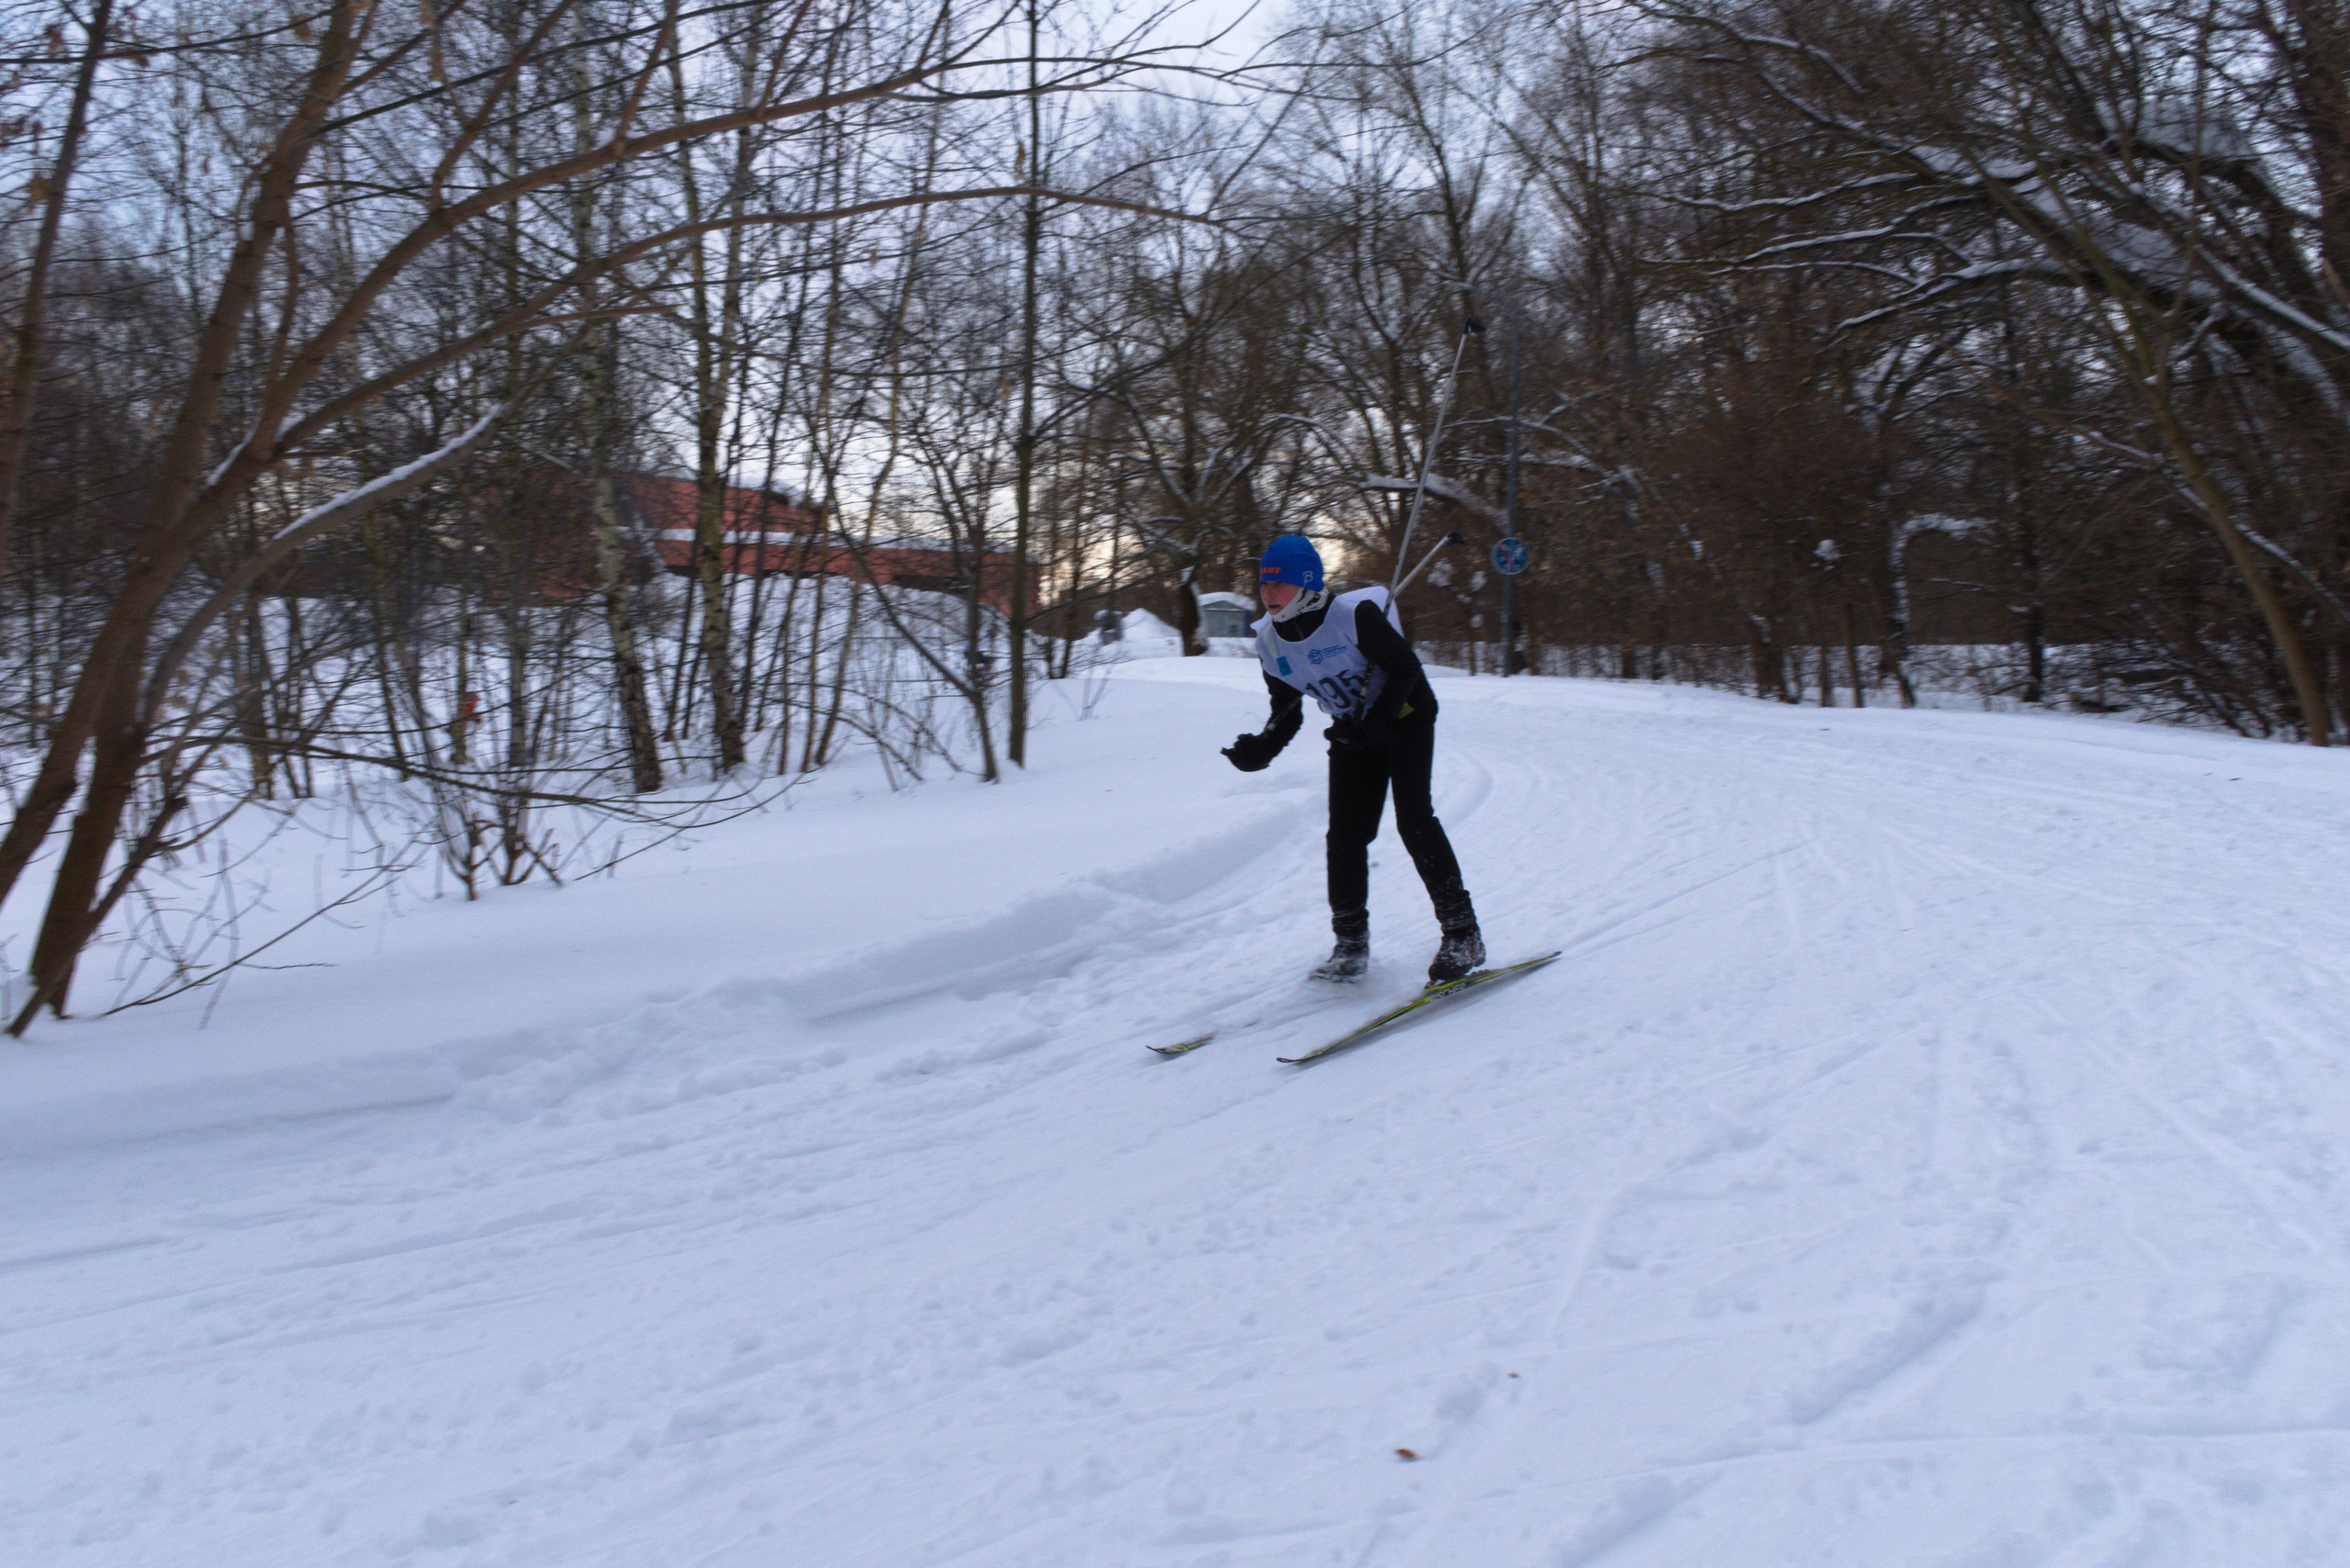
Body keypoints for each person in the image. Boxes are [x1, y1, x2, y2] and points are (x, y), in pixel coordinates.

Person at [1221, 533, 1485, 986]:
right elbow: (1286, 710)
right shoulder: (1270, 643)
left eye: (1278, 585)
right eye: (1263, 585)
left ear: (1305, 584)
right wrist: (1260, 749)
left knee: (1414, 819)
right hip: (1352, 729)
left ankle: (1464, 935)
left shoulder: (1353, 616)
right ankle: (1350, 946)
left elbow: (1406, 668)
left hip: (1405, 718)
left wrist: (1380, 720)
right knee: (1344, 837)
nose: (1267, 594)